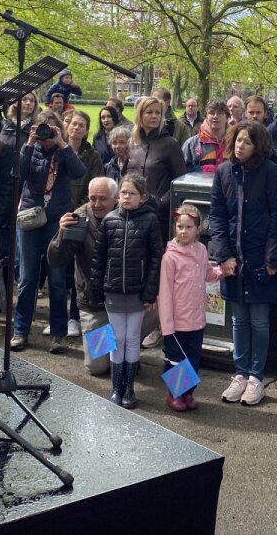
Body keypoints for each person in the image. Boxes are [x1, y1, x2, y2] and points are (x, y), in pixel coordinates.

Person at [211, 122, 277, 407]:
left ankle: (256, 376)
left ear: (258, 146)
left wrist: (271, 259)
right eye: (239, 140)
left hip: (259, 259)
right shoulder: (223, 172)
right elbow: (217, 216)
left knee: (259, 321)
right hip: (233, 258)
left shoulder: (271, 172)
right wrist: (224, 255)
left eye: (247, 142)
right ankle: (239, 373)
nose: (241, 146)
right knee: (237, 320)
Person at [11, 111, 85, 353]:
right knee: (27, 278)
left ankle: (58, 334)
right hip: (30, 219)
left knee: (56, 280)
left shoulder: (63, 151)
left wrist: (62, 144)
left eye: (50, 130)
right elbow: (16, 173)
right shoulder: (30, 149)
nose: (46, 135)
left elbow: (79, 172)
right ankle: (20, 331)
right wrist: (29, 143)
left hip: (56, 220)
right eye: (41, 129)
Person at [91, 173, 162, 409]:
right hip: (113, 291)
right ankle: (115, 388)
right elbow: (99, 259)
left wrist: (150, 291)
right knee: (116, 338)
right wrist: (97, 288)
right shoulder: (109, 220)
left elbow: (155, 258)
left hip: (137, 291)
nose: (126, 197)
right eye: (123, 193)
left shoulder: (150, 220)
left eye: (131, 193)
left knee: (132, 338)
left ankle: (129, 388)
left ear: (142, 197)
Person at [48, 177, 119, 375]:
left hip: (124, 301)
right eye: (92, 198)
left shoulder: (129, 215)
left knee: (155, 312)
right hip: (94, 302)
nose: (97, 204)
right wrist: (61, 234)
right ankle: (116, 347)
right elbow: (57, 261)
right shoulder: (79, 218)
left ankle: (124, 349)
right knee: (97, 368)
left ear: (115, 199)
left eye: (103, 199)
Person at [159, 204, 224, 411]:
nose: (183, 231)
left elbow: (207, 274)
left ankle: (187, 393)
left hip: (196, 319)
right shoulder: (170, 257)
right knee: (176, 360)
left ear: (198, 229)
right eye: (179, 227)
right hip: (177, 322)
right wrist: (166, 325)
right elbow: (166, 292)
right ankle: (174, 394)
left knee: (193, 358)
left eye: (188, 227)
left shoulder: (201, 250)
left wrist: (222, 270)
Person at [127, 96, 186, 238]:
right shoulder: (132, 143)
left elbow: (179, 181)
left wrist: (160, 203)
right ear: (140, 115)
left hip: (158, 216)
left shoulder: (170, 144)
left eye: (158, 113)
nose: (154, 116)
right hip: (132, 213)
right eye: (149, 112)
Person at [64, 109, 105, 211]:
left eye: (81, 125)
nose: (76, 128)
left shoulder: (93, 156)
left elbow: (96, 187)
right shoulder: (58, 150)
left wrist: (80, 209)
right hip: (57, 208)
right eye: (74, 124)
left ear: (86, 131)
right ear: (68, 127)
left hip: (81, 210)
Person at [182, 99, 229, 174]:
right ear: (206, 117)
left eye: (220, 113)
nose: (215, 116)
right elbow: (181, 174)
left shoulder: (235, 143)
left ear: (227, 117)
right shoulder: (191, 144)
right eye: (211, 113)